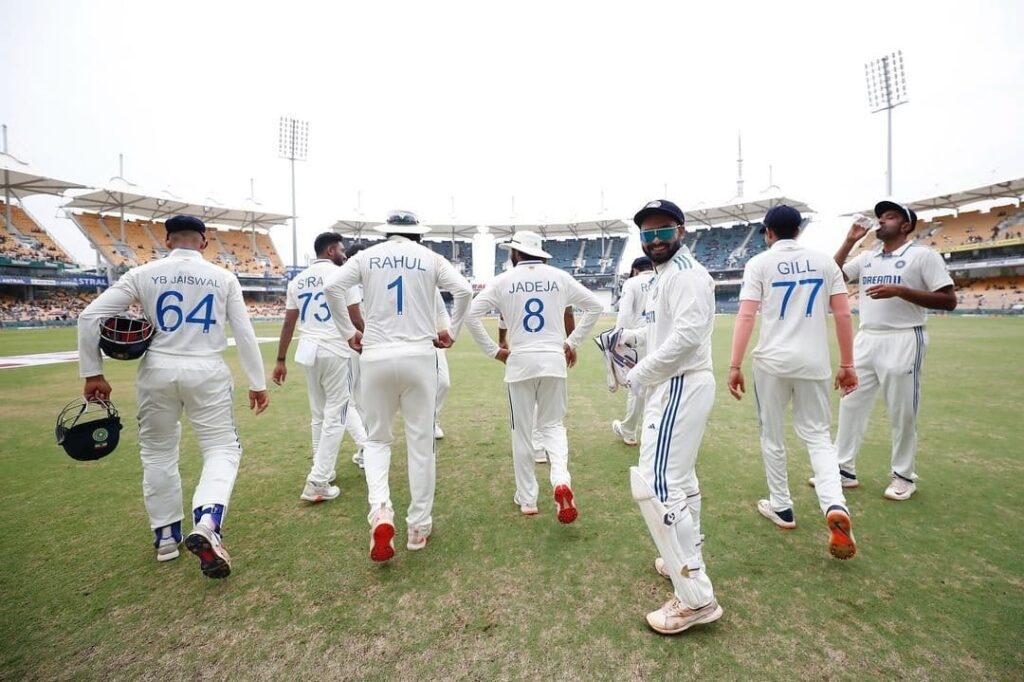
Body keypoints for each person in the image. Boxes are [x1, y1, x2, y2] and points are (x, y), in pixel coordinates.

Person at [77, 214, 269, 579]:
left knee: (157, 451)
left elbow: (88, 318)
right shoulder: (223, 277)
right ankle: (208, 521)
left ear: (167, 241)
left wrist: (93, 372)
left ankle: (166, 537)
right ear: (204, 242)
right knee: (221, 448)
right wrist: (257, 382)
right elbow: (244, 333)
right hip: (207, 368)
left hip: (157, 369)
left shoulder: (142, 274)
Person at [324, 210, 473, 562]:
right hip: (420, 355)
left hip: (375, 355)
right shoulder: (430, 257)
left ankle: (381, 510)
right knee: (421, 443)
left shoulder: (366, 256)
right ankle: (418, 526)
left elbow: (332, 287)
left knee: (377, 440)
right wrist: (452, 330)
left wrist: (349, 333)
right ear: (417, 235)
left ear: (386, 233)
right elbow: (464, 291)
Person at [726, 205, 858, 560]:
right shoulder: (824, 262)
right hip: (813, 361)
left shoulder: (759, 263)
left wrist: (734, 364)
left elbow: (746, 315)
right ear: (798, 229)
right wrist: (847, 364)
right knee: (817, 436)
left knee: (772, 433)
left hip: (771, 361)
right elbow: (843, 313)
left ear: (768, 232)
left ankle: (783, 507)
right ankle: (834, 503)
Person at [622, 199, 722, 635]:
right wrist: (628, 338)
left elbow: (687, 336)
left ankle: (695, 598)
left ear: (681, 231)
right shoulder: (665, 276)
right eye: (647, 233)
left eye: (664, 230)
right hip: (680, 381)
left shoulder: (685, 276)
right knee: (681, 480)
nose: (655, 238)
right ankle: (685, 557)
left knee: (656, 485)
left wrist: (640, 374)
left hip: (680, 381)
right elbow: (667, 329)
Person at [819, 200, 956, 500]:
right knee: (850, 404)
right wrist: (850, 240)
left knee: (902, 410)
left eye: (890, 217)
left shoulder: (922, 255)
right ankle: (843, 470)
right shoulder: (868, 257)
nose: (881, 221)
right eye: (880, 217)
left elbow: (949, 300)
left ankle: (904, 476)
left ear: (905, 225)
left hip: (905, 337)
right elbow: (833, 274)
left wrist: (901, 291)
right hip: (867, 337)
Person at [465, 231, 602, 522]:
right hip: (553, 360)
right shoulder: (559, 277)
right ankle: (560, 479)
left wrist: (494, 350)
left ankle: (528, 498)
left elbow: (471, 316)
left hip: (520, 363)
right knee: (553, 426)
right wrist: (571, 342)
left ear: (516, 253)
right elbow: (595, 306)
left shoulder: (503, 281)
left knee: (522, 432)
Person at [272, 232, 366, 503]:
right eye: (341, 249)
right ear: (329, 251)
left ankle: (323, 469)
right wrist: (374, 342)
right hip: (337, 349)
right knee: (338, 413)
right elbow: (356, 318)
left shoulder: (297, 281)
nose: (344, 254)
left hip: (309, 351)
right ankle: (318, 480)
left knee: (319, 415)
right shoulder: (343, 275)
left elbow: (289, 323)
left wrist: (280, 360)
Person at [498, 307, 577, 463]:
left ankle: (537, 448)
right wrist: (572, 343)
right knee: (553, 417)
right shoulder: (558, 282)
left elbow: (503, 313)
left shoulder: (511, 283)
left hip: (522, 354)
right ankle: (558, 470)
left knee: (530, 404)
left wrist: (501, 339)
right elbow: (568, 312)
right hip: (552, 354)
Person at [610, 256, 656, 446]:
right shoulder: (663, 278)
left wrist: (617, 340)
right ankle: (655, 429)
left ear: (635, 270)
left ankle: (628, 431)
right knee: (658, 385)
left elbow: (625, 314)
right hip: (661, 338)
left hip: (637, 340)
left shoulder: (632, 282)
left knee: (636, 385)